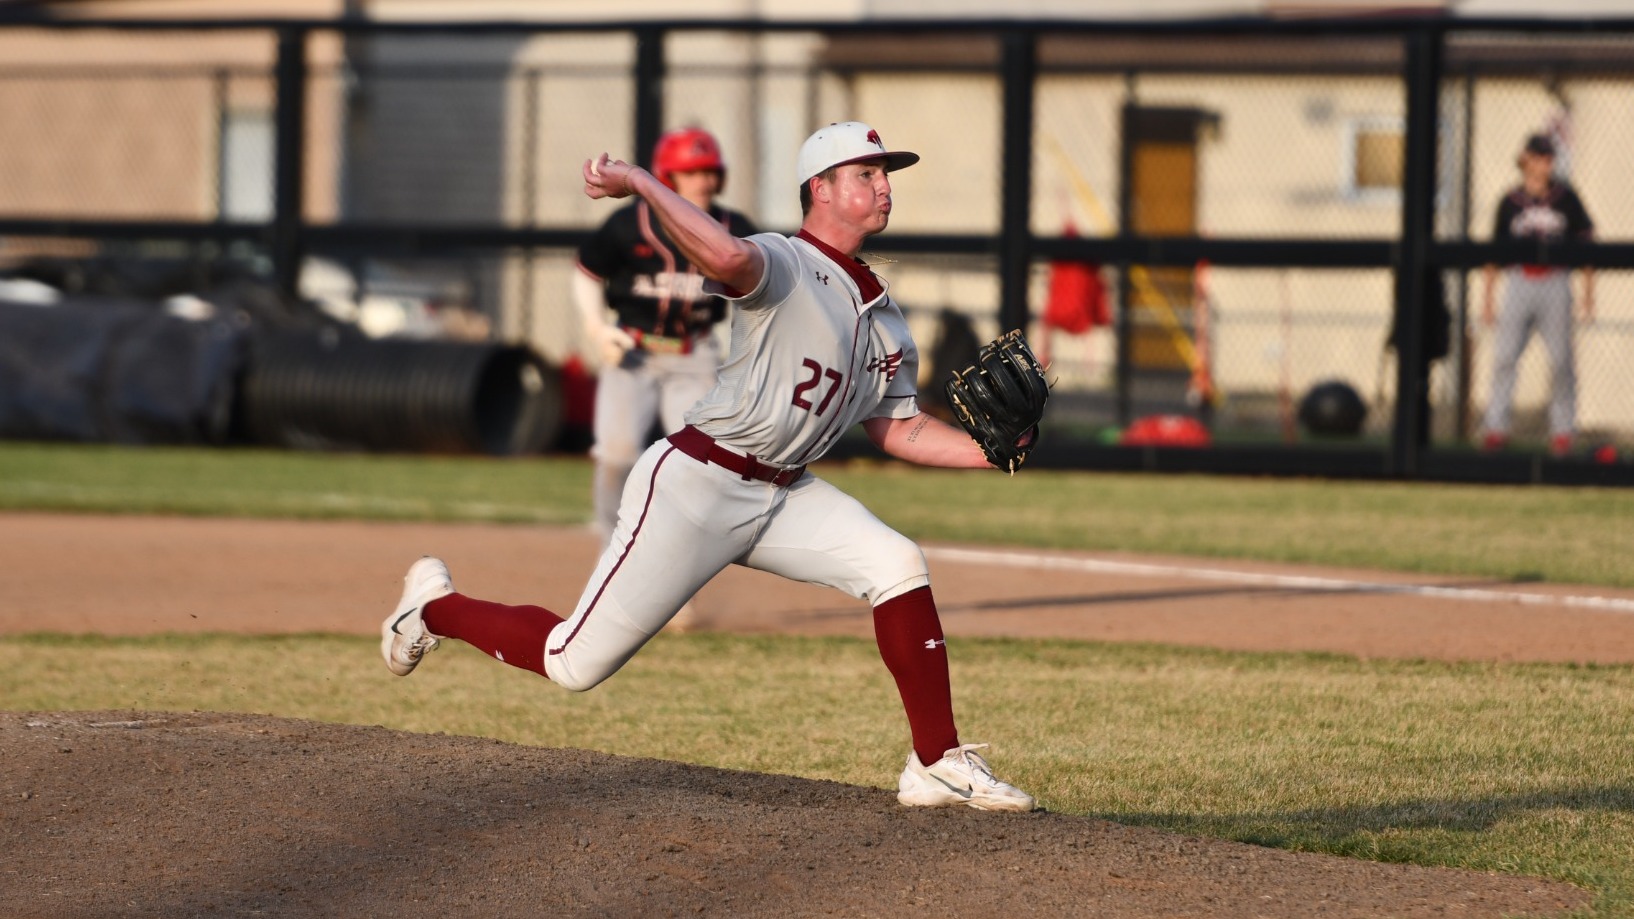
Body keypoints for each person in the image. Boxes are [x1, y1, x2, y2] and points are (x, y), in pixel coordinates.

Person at [380, 121, 1037, 812]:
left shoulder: (886, 316)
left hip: (785, 493)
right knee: (574, 662)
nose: (884, 187)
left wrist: (988, 452)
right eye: (866, 174)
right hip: (698, 482)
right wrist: (638, 180)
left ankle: (935, 760)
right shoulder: (783, 261)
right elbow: (724, 255)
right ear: (821, 188)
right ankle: (430, 608)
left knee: (897, 563)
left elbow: (897, 428)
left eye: (885, 174)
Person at [574, 127, 758, 546]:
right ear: (667, 177)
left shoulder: (733, 227)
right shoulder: (628, 225)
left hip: (695, 355)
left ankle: (678, 566)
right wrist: (596, 327)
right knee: (617, 457)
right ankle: (613, 553)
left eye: (710, 172)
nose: (705, 181)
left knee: (696, 465)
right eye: (692, 172)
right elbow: (587, 271)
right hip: (632, 351)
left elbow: (759, 292)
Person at [1479, 132, 1596, 457]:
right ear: (1526, 159)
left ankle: (1562, 432)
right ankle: (1495, 428)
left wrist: (1588, 294)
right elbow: (1494, 253)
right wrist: (1488, 299)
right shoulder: (1510, 201)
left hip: (1556, 281)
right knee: (1504, 357)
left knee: (1561, 360)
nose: (1546, 163)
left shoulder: (1565, 198)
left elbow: (1587, 244)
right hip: (1519, 280)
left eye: (1549, 158)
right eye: (1540, 157)